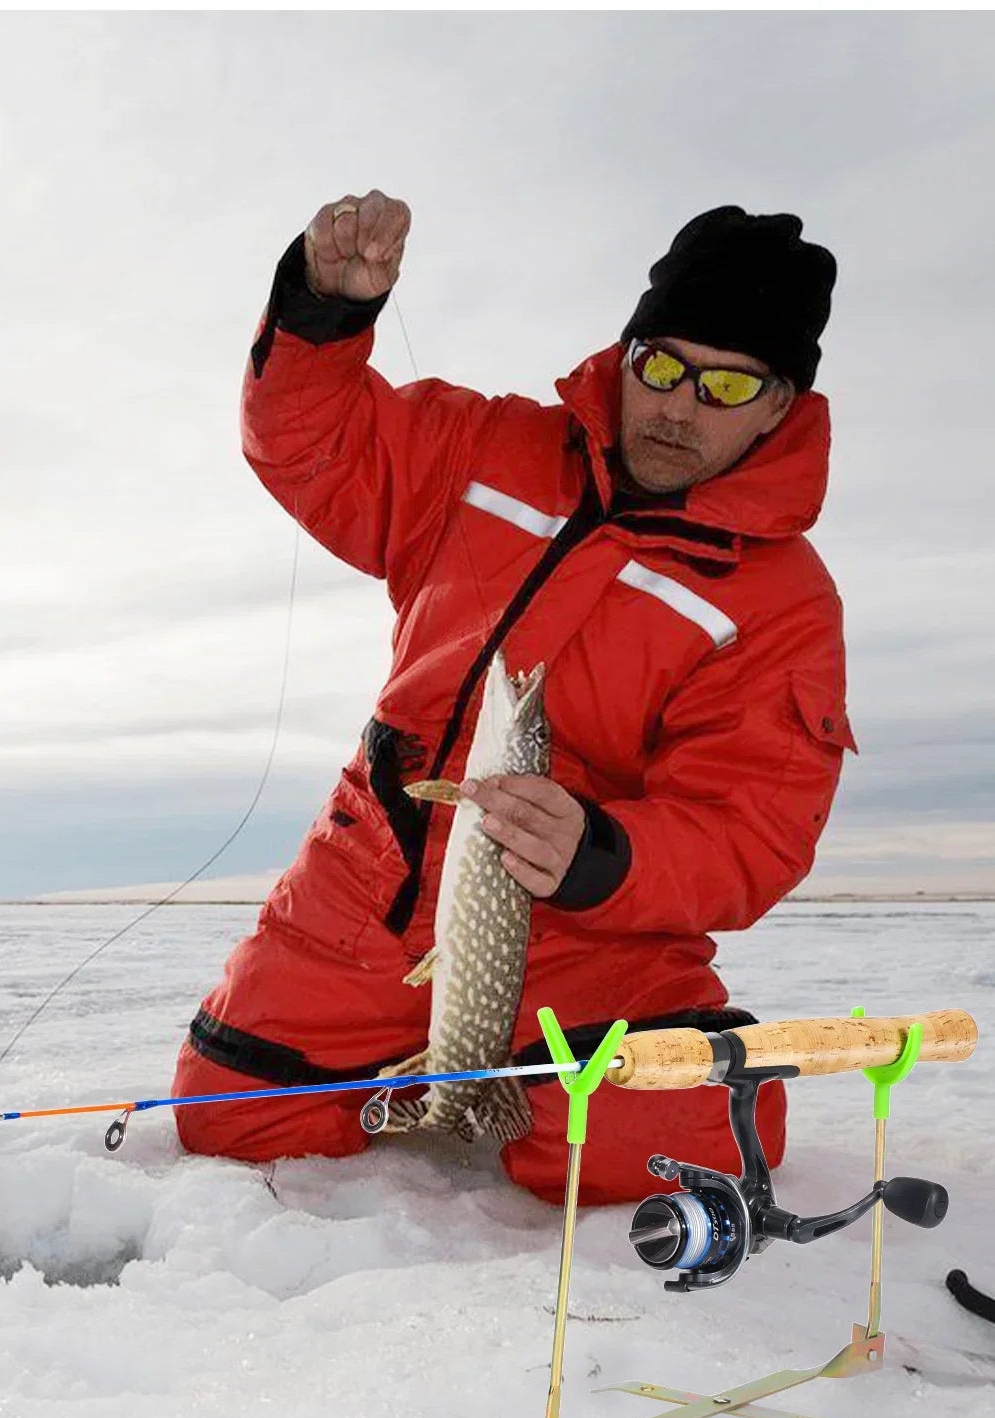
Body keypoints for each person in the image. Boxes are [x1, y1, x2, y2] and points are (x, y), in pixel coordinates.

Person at [172, 193, 854, 1205]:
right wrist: (323, 313)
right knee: (227, 1115)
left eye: (726, 384)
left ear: (779, 404)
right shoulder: (485, 446)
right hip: (375, 876)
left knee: (678, 1136)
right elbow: (310, 445)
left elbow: (751, 829)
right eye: (659, 366)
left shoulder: (782, 602)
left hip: (591, 933)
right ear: (624, 357)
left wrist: (602, 856)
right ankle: (430, 1082)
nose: (678, 404)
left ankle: (526, 1089)